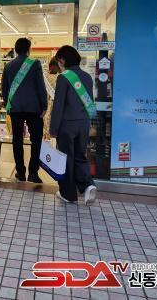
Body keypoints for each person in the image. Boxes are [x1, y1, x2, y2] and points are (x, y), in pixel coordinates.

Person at [50, 45, 97, 205]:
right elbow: (89, 103)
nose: (59, 64)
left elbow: (58, 106)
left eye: (59, 60)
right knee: (80, 156)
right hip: (83, 123)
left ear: (63, 60)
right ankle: (88, 185)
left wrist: (53, 129)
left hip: (67, 125)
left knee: (66, 159)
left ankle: (68, 194)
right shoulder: (87, 77)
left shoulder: (63, 77)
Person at [2, 38, 48, 183]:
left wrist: (8, 105)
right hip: (34, 108)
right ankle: (33, 173)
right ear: (29, 49)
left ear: (15, 50)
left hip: (15, 108)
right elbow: (40, 86)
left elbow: (4, 88)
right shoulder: (35, 64)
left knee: (17, 140)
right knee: (36, 140)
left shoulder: (9, 66)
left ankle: (20, 172)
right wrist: (44, 105)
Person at [43, 58, 61, 140]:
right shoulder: (60, 77)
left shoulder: (44, 76)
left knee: (46, 119)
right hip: (54, 103)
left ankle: (46, 137)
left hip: (46, 102)